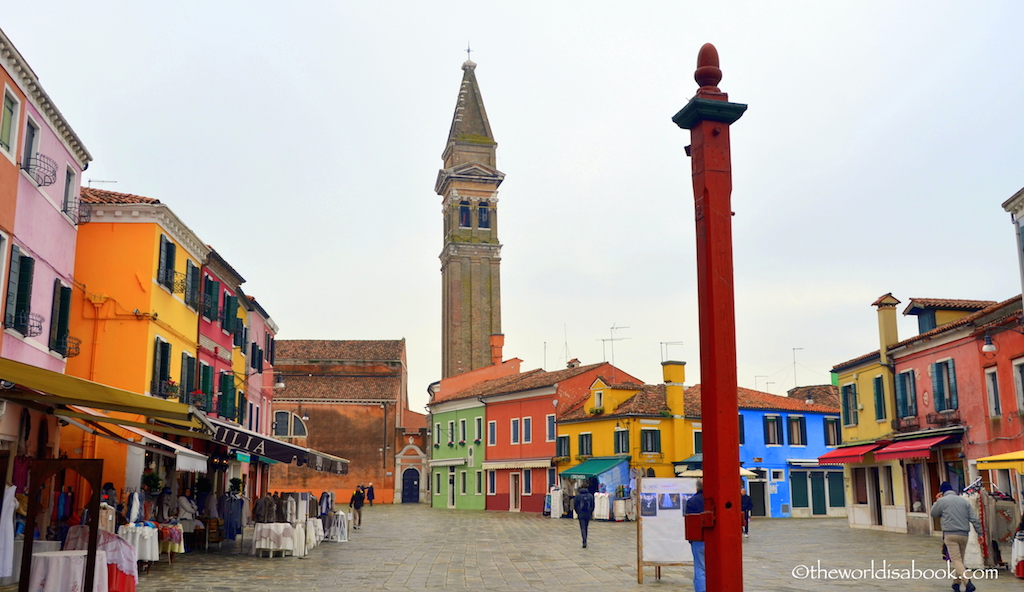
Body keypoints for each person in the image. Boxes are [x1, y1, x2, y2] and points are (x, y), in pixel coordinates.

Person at [930, 481, 982, 592]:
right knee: (960, 560)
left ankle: (968, 583)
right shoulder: (964, 501)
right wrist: (980, 533)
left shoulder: (942, 501)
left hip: (950, 534)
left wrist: (937, 501)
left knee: (956, 560)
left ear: (942, 492)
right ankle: (956, 583)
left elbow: (933, 514)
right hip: (964, 534)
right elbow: (974, 519)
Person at [685, 479, 706, 592]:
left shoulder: (692, 501)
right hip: (714, 539)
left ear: (697, 488)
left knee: (700, 568)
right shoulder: (715, 500)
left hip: (698, 538)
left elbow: (689, 520)